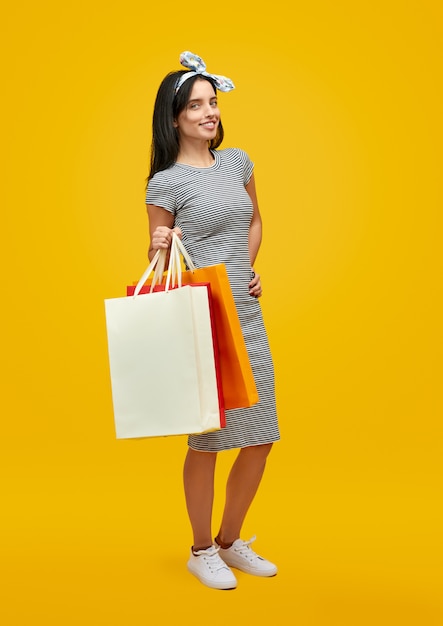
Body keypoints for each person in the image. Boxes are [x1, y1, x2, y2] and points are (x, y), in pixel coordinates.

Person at [145, 51, 280, 590]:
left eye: (213, 102)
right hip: (200, 312)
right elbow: (158, 258)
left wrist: (249, 269)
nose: (208, 112)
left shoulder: (239, 162)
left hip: (246, 309)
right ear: (174, 117)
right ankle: (201, 549)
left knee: (261, 434)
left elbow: (255, 220)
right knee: (207, 437)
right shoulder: (164, 182)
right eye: (196, 105)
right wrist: (160, 242)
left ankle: (230, 541)